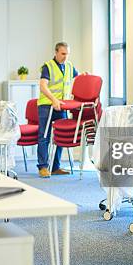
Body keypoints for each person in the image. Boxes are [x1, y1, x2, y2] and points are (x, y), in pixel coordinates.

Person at [37, 42, 80, 178]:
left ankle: (55, 167)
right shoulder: (48, 66)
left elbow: (77, 77)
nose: (65, 57)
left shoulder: (69, 66)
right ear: (56, 52)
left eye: (67, 54)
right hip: (46, 105)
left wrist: (84, 74)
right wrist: (53, 100)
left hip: (61, 105)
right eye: (62, 54)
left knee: (61, 136)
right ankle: (43, 167)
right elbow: (43, 86)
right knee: (44, 136)